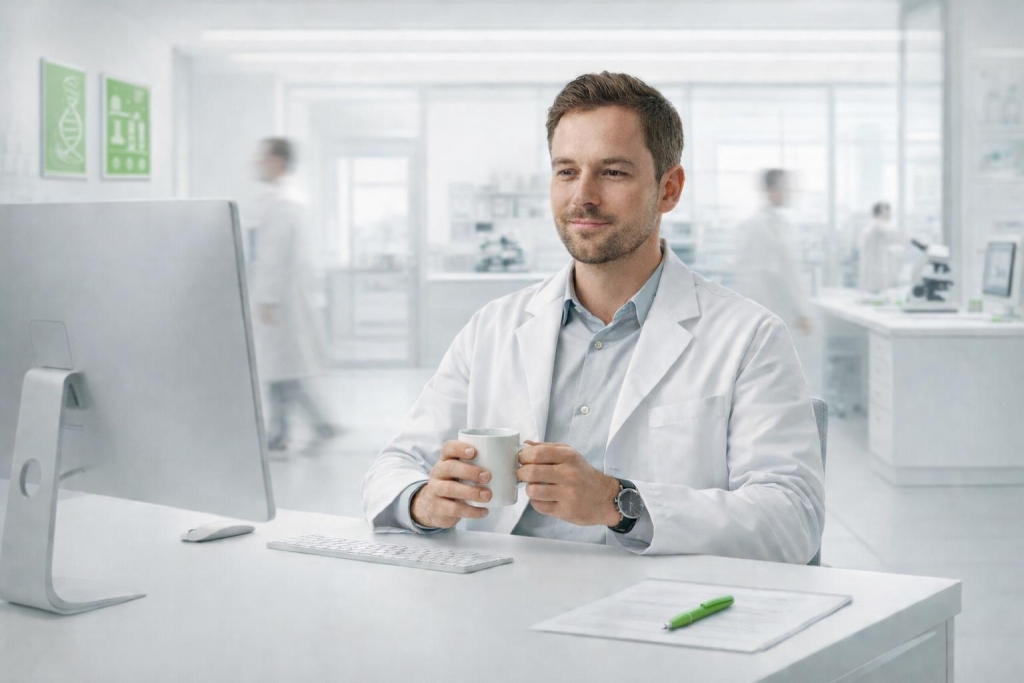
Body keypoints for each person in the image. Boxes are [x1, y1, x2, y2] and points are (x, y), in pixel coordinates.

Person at [362, 73, 824, 562]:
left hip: (654, 608)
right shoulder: (493, 328)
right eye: (566, 171)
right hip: (497, 594)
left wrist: (618, 503)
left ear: (669, 189)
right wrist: (422, 501)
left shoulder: (748, 337)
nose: (583, 196)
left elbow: (792, 519)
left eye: (613, 173)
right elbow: (394, 464)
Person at [249, 137, 336, 451]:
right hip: (286, 297)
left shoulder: (284, 202)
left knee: (280, 368)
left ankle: (291, 430)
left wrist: (268, 299)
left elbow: (272, 254)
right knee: (281, 368)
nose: (256, 164)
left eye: (261, 158)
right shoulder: (287, 198)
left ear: (276, 160)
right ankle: (305, 427)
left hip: (282, 300)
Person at [734, 169, 812, 336]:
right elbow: (789, 271)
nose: (789, 192)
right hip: (768, 309)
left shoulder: (774, 222)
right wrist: (802, 311)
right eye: (785, 187)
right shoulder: (760, 225)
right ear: (771, 190)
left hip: (767, 311)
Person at [858, 201, 903, 293]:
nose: (890, 215)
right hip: (878, 275)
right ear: (882, 212)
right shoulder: (878, 226)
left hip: (873, 273)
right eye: (889, 212)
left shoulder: (869, 228)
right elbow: (896, 237)